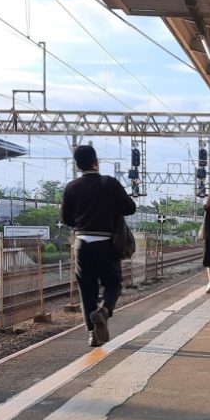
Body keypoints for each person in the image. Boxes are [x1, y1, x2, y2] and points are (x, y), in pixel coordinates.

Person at [61, 144, 137, 347]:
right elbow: (130, 208)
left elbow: (67, 219)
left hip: (82, 244)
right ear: (96, 162)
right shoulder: (109, 183)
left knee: (87, 291)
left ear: (77, 165)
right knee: (113, 284)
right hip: (106, 243)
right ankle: (104, 311)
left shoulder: (71, 187)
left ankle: (92, 335)